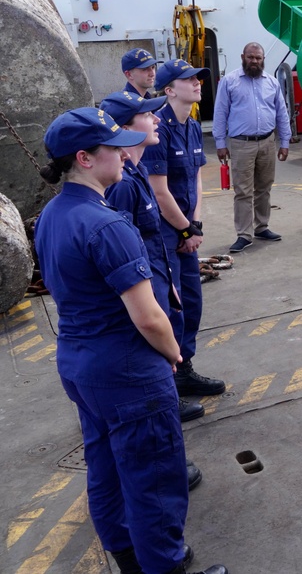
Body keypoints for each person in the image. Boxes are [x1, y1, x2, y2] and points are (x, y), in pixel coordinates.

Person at [33, 107, 227, 574]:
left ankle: (129, 560)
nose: (122, 153)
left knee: (105, 470)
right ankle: (166, 565)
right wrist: (174, 354)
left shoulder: (52, 216)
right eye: (112, 147)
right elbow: (149, 318)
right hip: (127, 371)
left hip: (80, 363)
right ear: (84, 158)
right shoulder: (108, 225)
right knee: (154, 478)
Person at [100, 91, 205, 494]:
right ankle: (165, 470)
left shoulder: (137, 172)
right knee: (152, 386)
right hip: (143, 301)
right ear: (125, 130)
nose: (157, 119)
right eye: (147, 115)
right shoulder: (123, 186)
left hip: (159, 281)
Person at [145, 59, 227, 399]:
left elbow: (195, 178)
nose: (197, 84)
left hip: (185, 228)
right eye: (188, 79)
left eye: (198, 79)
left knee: (191, 301)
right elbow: (159, 191)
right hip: (164, 233)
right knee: (170, 304)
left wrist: (195, 224)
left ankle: (185, 366)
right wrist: (183, 231)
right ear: (169, 90)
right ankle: (168, 376)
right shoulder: (158, 129)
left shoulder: (193, 125)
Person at [213, 42, 291, 253]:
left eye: (258, 58)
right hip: (241, 144)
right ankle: (244, 234)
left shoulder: (272, 83)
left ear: (263, 59)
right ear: (243, 57)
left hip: (267, 142)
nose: (255, 61)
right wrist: (220, 143)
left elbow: (281, 114)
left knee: (264, 188)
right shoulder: (230, 82)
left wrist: (284, 142)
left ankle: (262, 227)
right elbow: (220, 113)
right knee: (243, 191)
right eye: (251, 57)